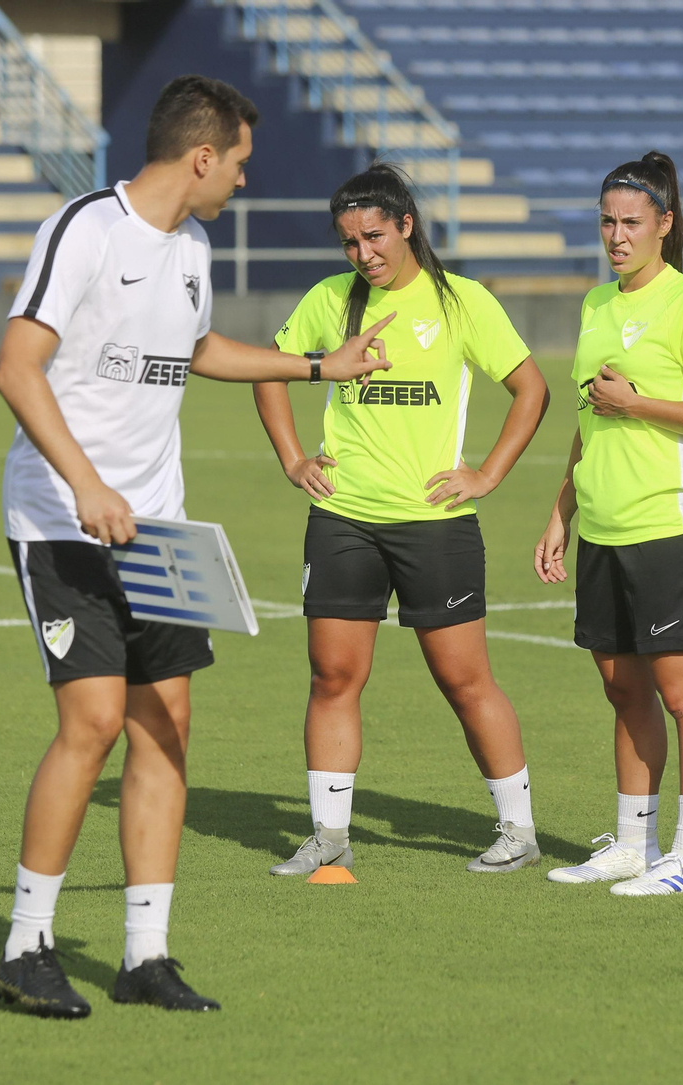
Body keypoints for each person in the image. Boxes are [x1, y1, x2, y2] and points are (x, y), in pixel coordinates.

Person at [0, 75, 394, 1018]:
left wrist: (313, 366)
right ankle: (25, 943)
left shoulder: (196, 245)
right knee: (90, 725)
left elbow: (197, 348)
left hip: (159, 528)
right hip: (61, 521)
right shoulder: (85, 227)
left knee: (166, 727)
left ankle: (145, 955)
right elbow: (16, 365)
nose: (245, 181)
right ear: (203, 156)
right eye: (242, 163)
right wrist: (87, 485)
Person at [255, 164, 550, 878]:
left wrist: (486, 474)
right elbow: (269, 369)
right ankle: (329, 835)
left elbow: (529, 388)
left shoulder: (461, 302)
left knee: (465, 679)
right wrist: (295, 458)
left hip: (434, 524)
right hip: (343, 519)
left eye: (375, 236)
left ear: (407, 224)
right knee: (333, 676)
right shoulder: (330, 300)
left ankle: (519, 828)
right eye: (350, 242)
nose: (363, 254)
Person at [533, 151, 683, 895]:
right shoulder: (596, 305)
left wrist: (640, 404)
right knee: (623, 689)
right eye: (607, 221)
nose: (616, 236)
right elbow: (589, 418)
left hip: (666, 527)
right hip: (602, 528)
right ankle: (632, 842)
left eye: (631, 222)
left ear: (665, 224)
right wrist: (563, 509)